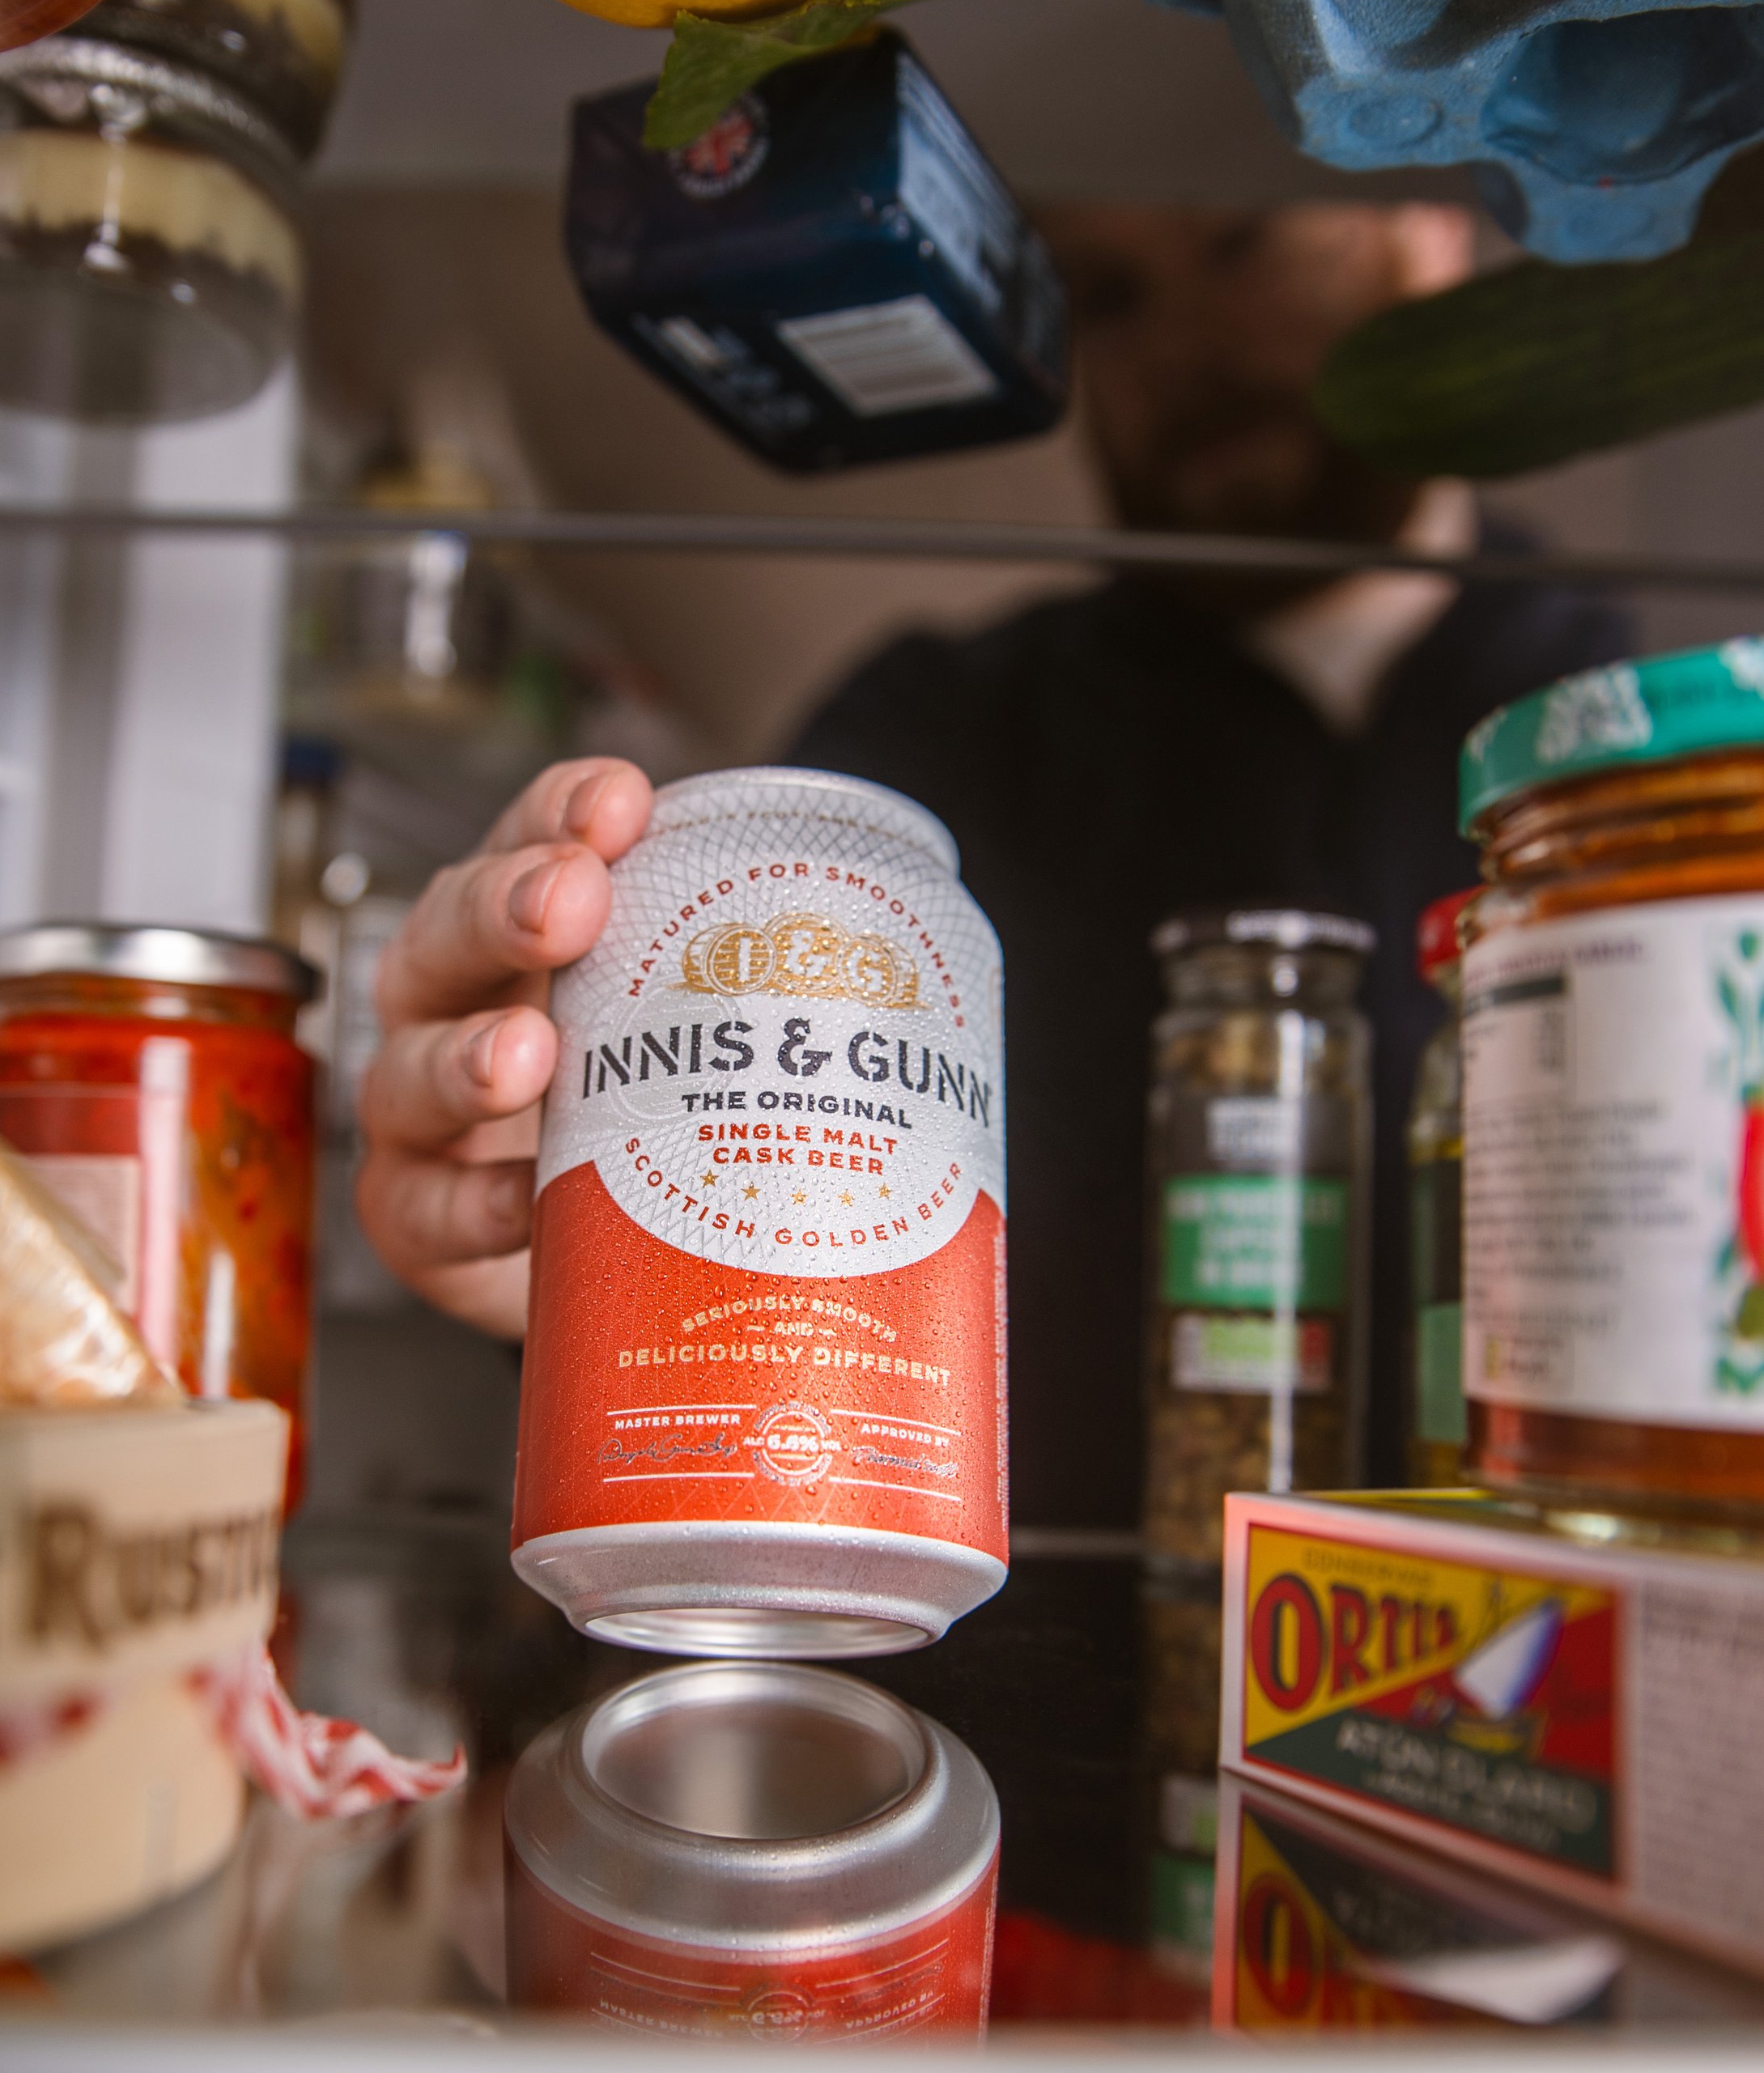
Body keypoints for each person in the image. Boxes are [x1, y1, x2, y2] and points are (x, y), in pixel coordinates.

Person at [355, 202, 1634, 1531]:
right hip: (987, 1707)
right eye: (1110, 297)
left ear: (1427, 229)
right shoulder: (926, 745)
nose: (1184, 346)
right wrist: (567, 1270)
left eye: (1242, 240)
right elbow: (704, 1220)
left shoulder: (1678, 752)